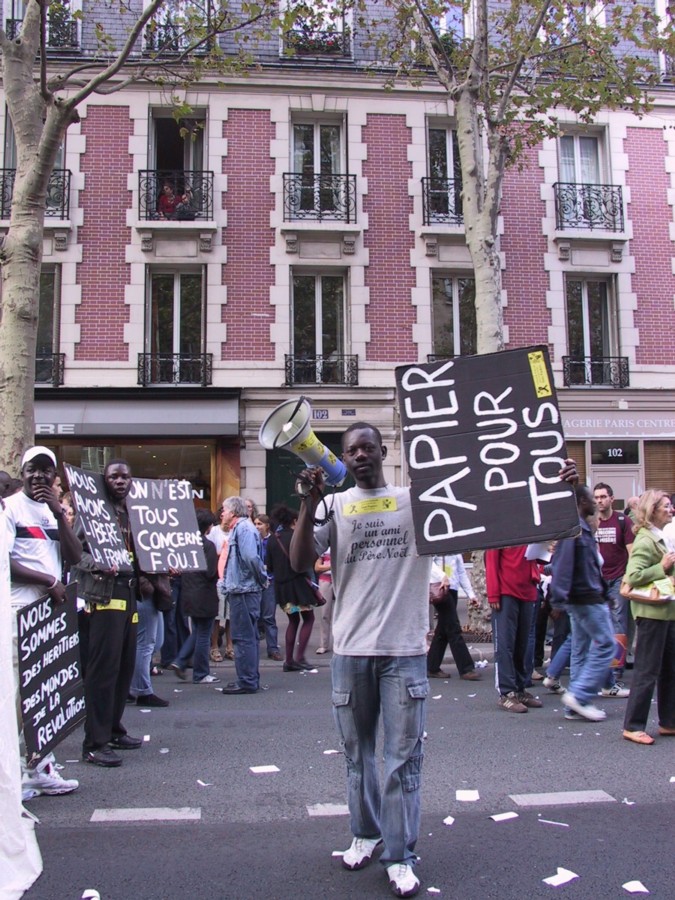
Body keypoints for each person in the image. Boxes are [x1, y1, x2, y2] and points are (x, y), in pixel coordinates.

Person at [289, 422, 431, 898]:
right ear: (343, 459)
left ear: (384, 451)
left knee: (401, 761)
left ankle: (400, 854)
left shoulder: (419, 500)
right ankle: (366, 834)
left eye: (369, 447)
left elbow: (490, 515)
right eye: (353, 451)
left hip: (404, 652)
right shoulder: (334, 505)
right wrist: (310, 504)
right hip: (351, 651)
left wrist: (558, 493)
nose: (361, 455)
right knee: (358, 757)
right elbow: (299, 562)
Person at [4, 446, 82, 798]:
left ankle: (38, 766)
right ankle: (16, 773)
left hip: (49, 616)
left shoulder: (54, 512)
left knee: (43, 695)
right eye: (31, 470)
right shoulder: (9, 508)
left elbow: (75, 555)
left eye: (45, 471)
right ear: (21, 473)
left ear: (55, 478)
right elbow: (6, 563)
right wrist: (48, 582)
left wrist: (57, 512)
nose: (38, 476)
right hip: (19, 613)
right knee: (18, 697)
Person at [72, 458, 144, 766]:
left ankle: (114, 729)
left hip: (129, 598)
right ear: (105, 481)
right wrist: (95, 566)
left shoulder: (133, 515)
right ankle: (95, 742)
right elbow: (74, 551)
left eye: (125, 477)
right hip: (101, 599)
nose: (120, 481)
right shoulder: (90, 514)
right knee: (102, 672)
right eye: (114, 477)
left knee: (123, 669)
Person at [550, 485, 615, 723]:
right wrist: (557, 599)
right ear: (580, 502)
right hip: (584, 598)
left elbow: (590, 568)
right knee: (606, 644)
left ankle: (575, 704)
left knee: (581, 649)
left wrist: (605, 594)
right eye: (590, 498)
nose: (595, 502)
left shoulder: (582, 529)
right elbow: (563, 566)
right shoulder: (575, 530)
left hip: (586, 597)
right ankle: (579, 695)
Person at [621, 490, 675, 744]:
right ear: (653, 511)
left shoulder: (658, 536)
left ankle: (669, 721)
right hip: (652, 614)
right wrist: (661, 567)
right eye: (666, 506)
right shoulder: (645, 540)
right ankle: (632, 726)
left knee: (669, 669)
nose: (671, 509)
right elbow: (634, 577)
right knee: (647, 670)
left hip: (666, 612)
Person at [486, 546, 543, 713]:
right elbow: (491, 559)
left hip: (527, 590)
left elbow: (537, 556)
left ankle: (519, 689)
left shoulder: (529, 525)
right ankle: (507, 692)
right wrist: (493, 593)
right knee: (505, 644)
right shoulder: (502, 527)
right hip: (506, 591)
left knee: (522, 643)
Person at [219, 496, 267, 694]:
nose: (222, 513)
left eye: (224, 510)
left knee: (243, 637)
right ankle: (248, 678)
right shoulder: (241, 528)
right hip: (242, 590)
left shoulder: (244, 529)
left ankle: (247, 681)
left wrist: (261, 578)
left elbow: (250, 558)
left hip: (244, 591)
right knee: (246, 637)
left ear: (232, 512)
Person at [169, 508, 221, 684]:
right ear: (207, 526)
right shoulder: (208, 546)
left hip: (188, 591)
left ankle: (180, 660)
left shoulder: (186, 544)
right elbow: (211, 572)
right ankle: (200, 672)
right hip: (205, 593)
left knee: (198, 630)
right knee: (204, 634)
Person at [593, 482, 633, 697]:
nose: (599, 501)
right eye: (596, 497)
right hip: (597, 580)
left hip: (618, 577)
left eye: (603, 497)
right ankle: (603, 667)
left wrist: (628, 577)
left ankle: (616, 669)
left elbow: (631, 552)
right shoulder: (592, 522)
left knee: (618, 622)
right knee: (599, 622)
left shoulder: (622, 521)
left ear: (611, 498)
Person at [266, 504, 316, 672]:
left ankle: (288, 660)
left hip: (282, 587)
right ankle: (300, 656)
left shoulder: (274, 538)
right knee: (308, 618)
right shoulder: (297, 537)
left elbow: (269, 566)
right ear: (294, 521)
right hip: (298, 584)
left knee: (293, 620)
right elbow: (306, 560)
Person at [427, 555, 481, 681]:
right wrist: (442, 576)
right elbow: (429, 563)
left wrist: (471, 595)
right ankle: (466, 668)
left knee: (443, 631)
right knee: (453, 627)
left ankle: (431, 666)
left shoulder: (455, 548)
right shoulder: (437, 543)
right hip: (440, 588)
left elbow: (461, 571)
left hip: (453, 589)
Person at [254, 513, 282, 661]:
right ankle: (253, 648)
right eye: (255, 524)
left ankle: (273, 648)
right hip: (255, 581)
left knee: (268, 616)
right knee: (254, 616)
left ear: (267, 526)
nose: (257, 527)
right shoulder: (252, 539)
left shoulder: (273, 540)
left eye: (260, 524)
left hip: (269, 580)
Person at [315, 549, 334, 654]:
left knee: (343, 613)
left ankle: (341, 643)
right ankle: (323, 644)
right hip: (325, 579)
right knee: (324, 614)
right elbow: (317, 567)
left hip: (340, 579)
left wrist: (326, 566)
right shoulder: (322, 546)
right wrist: (333, 566)